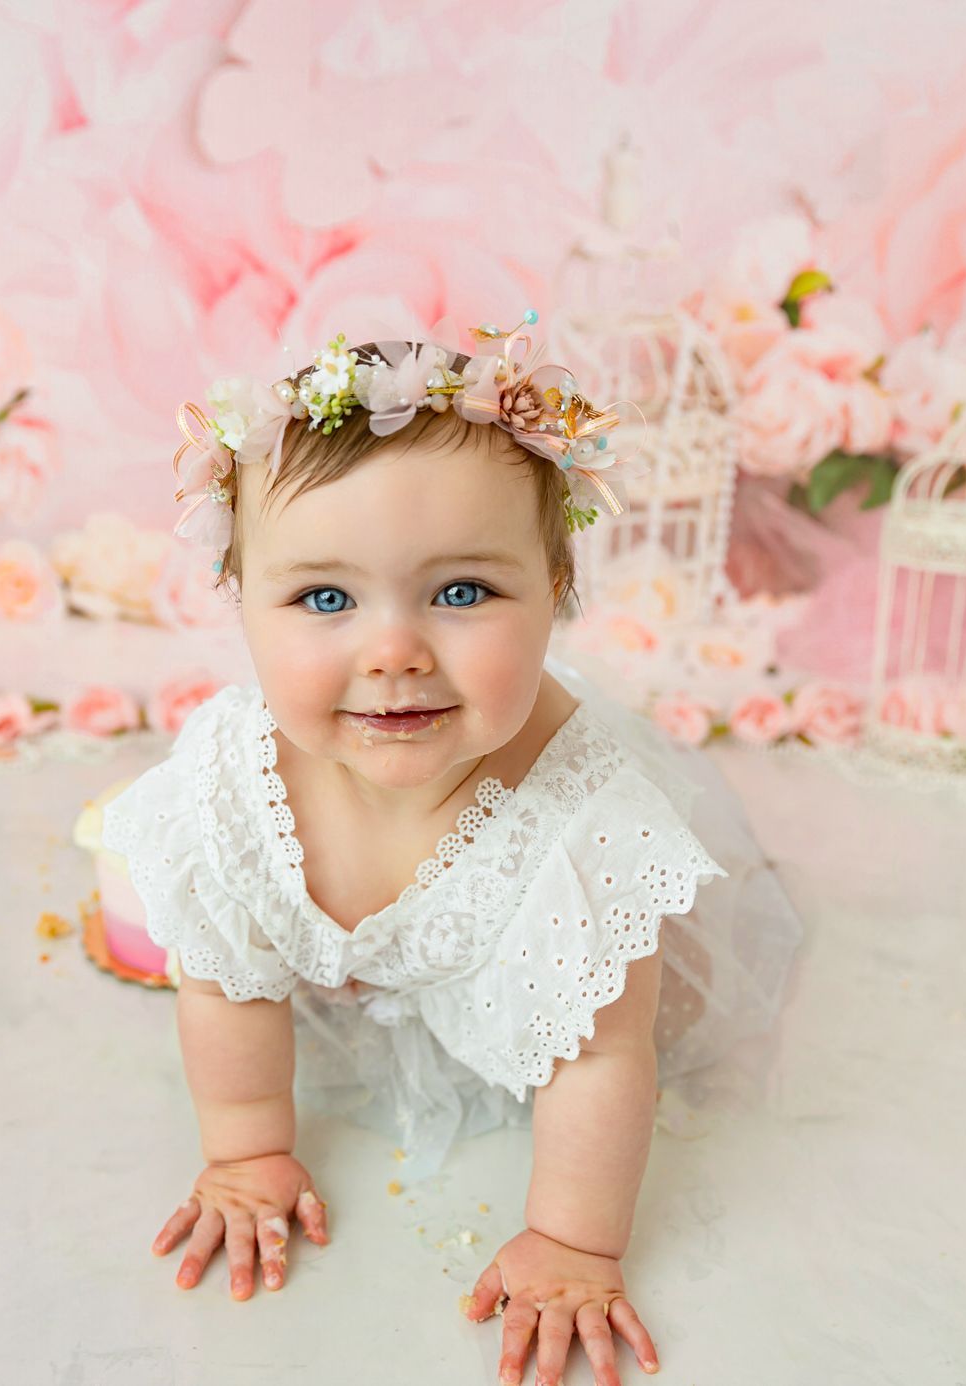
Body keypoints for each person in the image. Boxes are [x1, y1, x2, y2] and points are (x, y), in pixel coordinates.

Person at [101, 317, 802, 1385]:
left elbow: (602, 1058)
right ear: (240, 603)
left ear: (556, 590)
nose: (394, 652)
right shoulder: (235, 785)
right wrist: (246, 1152)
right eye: (324, 598)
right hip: (360, 960)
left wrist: (574, 1242)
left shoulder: (582, 828)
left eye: (462, 593)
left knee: (624, 1012)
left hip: (540, 941)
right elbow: (228, 983)